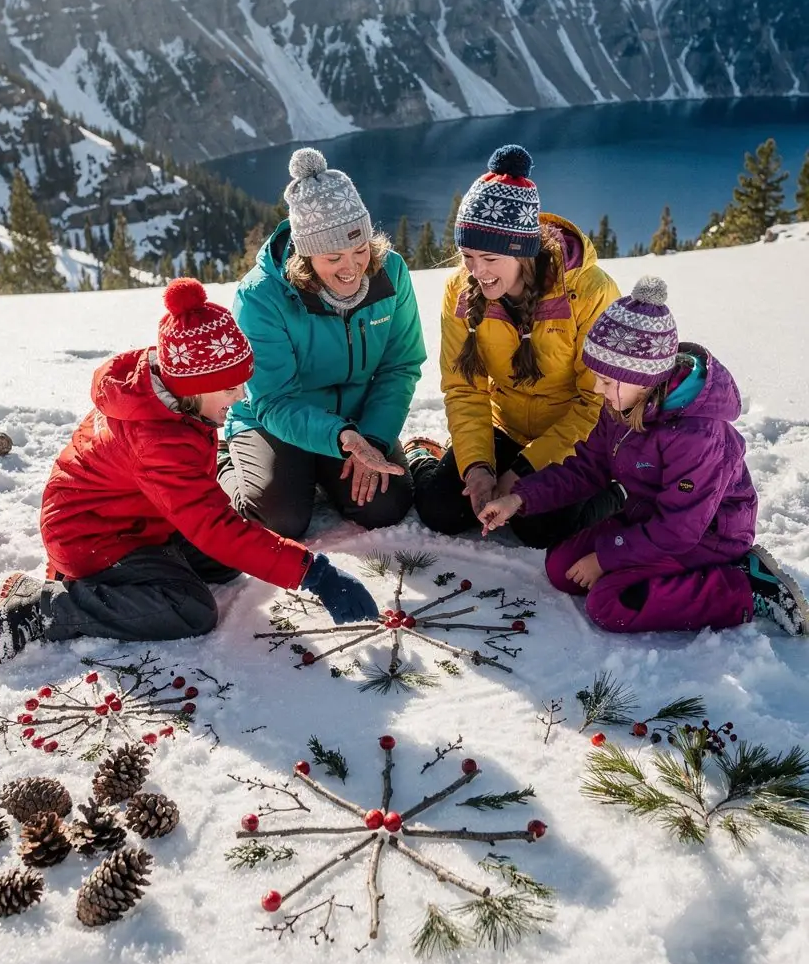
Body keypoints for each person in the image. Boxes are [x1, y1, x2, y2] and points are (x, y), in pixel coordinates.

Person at [0, 279, 378, 663]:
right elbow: (213, 527)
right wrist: (314, 574)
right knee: (190, 608)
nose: (240, 397)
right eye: (229, 390)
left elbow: (205, 516)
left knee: (226, 562)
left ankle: (140, 570)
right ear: (194, 388)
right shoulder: (158, 439)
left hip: (140, 518)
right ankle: (39, 609)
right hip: (92, 536)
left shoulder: (173, 390)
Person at [479, 276, 808, 636]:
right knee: (561, 566)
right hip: (648, 517)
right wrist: (519, 498)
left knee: (610, 604)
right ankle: (646, 567)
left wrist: (605, 558)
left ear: (645, 377)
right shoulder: (621, 406)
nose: (595, 388)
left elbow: (679, 528)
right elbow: (587, 468)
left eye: (606, 380)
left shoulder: (697, 436)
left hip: (706, 535)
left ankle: (745, 586)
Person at [409, 143, 621, 546]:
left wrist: (523, 470)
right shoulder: (461, 290)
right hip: (503, 425)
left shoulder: (588, 292)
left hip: (571, 435)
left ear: (522, 252)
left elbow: (596, 403)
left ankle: (621, 489)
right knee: (441, 509)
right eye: (467, 256)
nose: (476, 271)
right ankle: (424, 455)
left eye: (489, 258)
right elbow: (464, 388)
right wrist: (478, 468)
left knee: (541, 527)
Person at [219, 147, 426, 539]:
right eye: (333, 258)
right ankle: (228, 461)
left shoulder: (392, 274)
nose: (351, 268)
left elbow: (400, 365)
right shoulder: (262, 296)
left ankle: (322, 470)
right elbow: (273, 400)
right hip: (275, 421)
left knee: (385, 506)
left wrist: (375, 438)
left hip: (357, 421)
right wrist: (340, 438)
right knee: (279, 520)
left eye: (360, 250)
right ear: (306, 256)